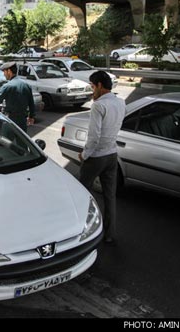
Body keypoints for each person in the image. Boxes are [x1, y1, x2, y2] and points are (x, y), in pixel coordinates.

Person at [78, 70, 125, 244]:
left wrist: (84, 154)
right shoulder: (121, 103)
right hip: (112, 154)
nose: (92, 91)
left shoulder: (98, 106)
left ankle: (83, 233)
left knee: (82, 194)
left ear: (99, 85)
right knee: (109, 196)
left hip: (96, 157)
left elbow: (94, 136)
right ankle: (109, 234)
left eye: (92, 86)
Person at [0, 61, 35, 132]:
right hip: (22, 121)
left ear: (9, 71)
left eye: (4, 72)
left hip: (10, 120)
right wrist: (31, 117)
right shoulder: (26, 85)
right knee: (21, 141)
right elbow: (31, 103)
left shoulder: (7, 86)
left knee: (6, 141)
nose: (4, 74)